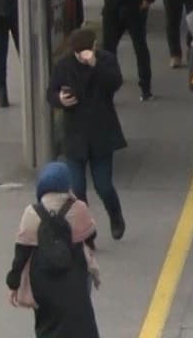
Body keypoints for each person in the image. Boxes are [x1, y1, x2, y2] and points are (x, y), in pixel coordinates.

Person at [47, 28, 128, 241]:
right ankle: (86, 232)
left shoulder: (106, 61)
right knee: (78, 190)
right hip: (75, 135)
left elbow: (115, 83)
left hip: (101, 132)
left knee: (104, 185)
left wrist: (95, 65)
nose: (82, 55)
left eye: (87, 50)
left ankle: (115, 215)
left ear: (94, 47)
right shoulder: (64, 66)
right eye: (78, 52)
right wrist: (60, 99)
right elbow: (51, 92)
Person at [6, 163, 101, 338]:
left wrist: (13, 283)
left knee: (46, 323)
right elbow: (91, 234)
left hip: (42, 278)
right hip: (75, 274)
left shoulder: (31, 212)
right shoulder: (78, 208)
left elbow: (21, 252)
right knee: (80, 321)